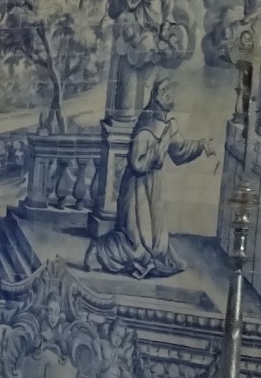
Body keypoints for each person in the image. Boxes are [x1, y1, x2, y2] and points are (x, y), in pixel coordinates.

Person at [85, 78, 208, 280]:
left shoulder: (168, 125)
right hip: (136, 187)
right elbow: (137, 163)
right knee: (137, 246)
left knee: (158, 244)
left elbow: (180, 152)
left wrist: (202, 145)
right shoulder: (146, 126)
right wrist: (159, 148)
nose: (168, 94)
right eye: (163, 91)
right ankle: (98, 249)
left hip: (152, 184)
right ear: (155, 97)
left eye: (169, 90)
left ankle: (140, 257)